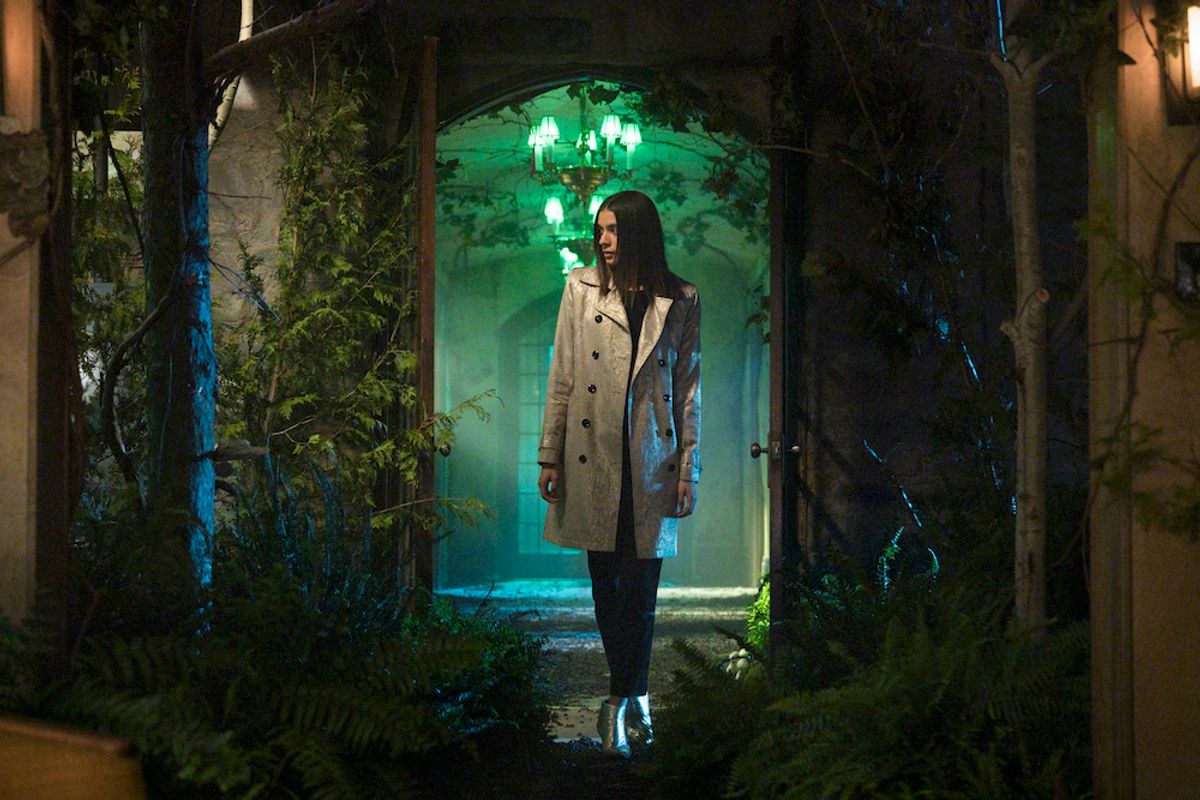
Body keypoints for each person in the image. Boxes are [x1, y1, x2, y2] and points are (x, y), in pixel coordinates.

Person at [537, 190, 701, 757]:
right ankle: (636, 700)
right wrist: (549, 454)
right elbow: (562, 374)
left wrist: (689, 468)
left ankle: (619, 702)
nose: (602, 240)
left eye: (612, 230)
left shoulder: (681, 298)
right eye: (600, 230)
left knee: (640, 590)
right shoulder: (580, 288)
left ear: (637, 234)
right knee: (606, 589)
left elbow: (689, 389)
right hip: (593, 457)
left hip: (653, 463)